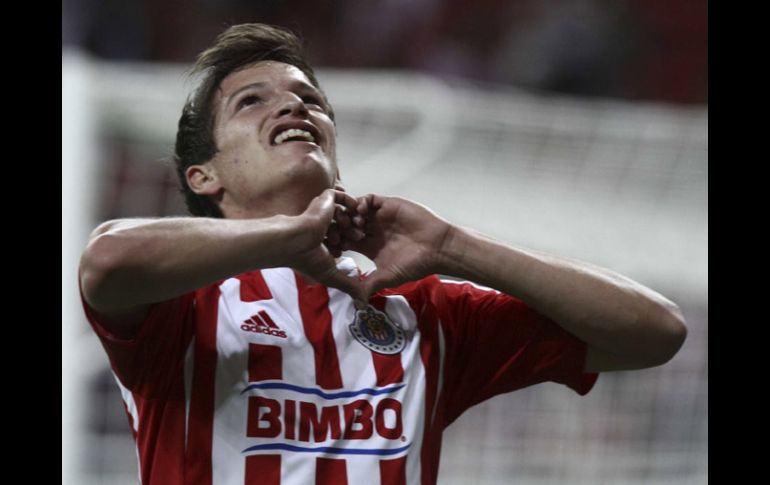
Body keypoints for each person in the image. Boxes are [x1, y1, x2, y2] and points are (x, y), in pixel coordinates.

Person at [78, 23, 687, 485]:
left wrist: (454, 246)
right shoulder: (180, 303)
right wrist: (287, 236)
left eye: (309, 99)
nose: (295, 106)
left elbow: (655, 332)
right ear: (204, 177)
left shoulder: (421, 312)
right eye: (252, 101)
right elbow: (105, 262)